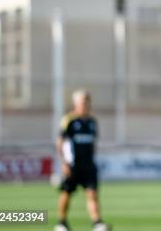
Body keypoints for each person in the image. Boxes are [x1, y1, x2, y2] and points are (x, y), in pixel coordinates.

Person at [55, 89, 109, 231]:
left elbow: (93, 142)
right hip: (73, 165)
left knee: (92, 193)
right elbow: (60, 142)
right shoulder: (69, 120)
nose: (86, 104)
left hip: (88, 165)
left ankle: (97, 222)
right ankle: (61, 222)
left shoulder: (92, 121)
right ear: (76, 103)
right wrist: (64, 162)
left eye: (88, 101)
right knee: (66, 193)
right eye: (83, 101)